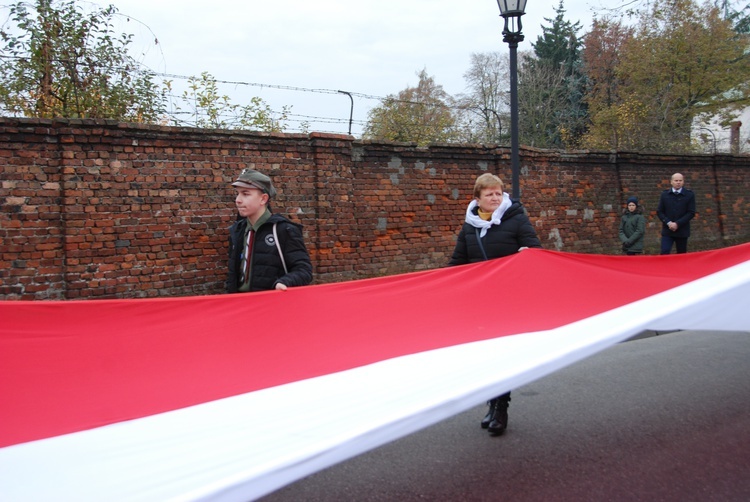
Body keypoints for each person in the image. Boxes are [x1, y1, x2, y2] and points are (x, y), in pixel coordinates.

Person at [448, 173, 542, 436]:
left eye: (498, 193)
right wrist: (440, 285)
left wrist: (525, 257)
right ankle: (492, 402)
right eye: (489, 194)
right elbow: (458, 261)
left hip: (510, 299)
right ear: (477, 198)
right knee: (487, 354)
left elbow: (535, 249)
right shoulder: (470, 225)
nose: (494, 198)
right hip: (480, 300)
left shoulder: (516, 219)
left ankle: (501, 406)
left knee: (504, 353)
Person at [226, 168, 312, 293]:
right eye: (237, 193)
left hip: (271, 305)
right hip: (241, 305)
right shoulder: (238, 230)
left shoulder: (283, 230)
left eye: (245, 194)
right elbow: (233, 273)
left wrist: (284, 282)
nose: (238, 200)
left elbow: (304, 270)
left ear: (263, 199)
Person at [656, 172, 696, 254]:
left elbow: (691, 212)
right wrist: (668, 222)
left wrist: (677, 223)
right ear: (671, 182)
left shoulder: (689, 195)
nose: (678, 182)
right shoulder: (665, 194)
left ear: (683, 182)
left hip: (682, 230)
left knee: (681, 254)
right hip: (668, 230)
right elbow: (660, 212)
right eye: (676, 180)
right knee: (665, 251)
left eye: (680, 180)